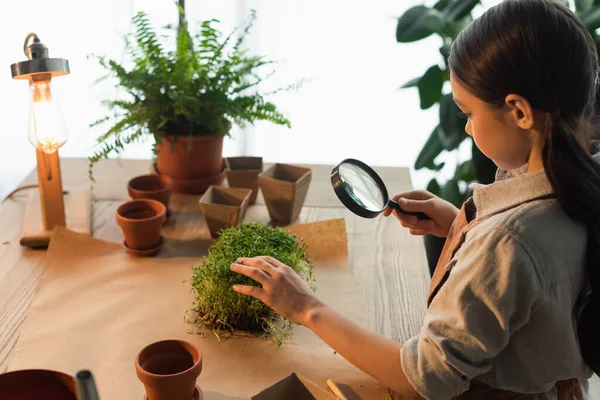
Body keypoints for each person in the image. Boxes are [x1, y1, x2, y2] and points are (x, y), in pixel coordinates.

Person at [230, 0, 600, 398]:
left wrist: (306, 307)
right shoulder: (582, 177)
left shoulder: (507, 243)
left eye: (468, 112)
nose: (468, 127)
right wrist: (461, 223)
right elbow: (542, 274)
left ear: (519, 112)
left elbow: (426, 377)